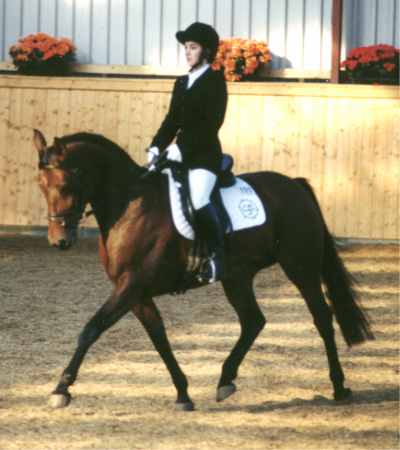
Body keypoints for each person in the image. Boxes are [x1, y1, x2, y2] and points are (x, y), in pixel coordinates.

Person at [147, 22, 228, 283]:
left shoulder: (215, 81)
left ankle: (217, 256)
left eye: (193, 47)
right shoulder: (181, 82)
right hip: (176, 155)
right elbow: (171, 120)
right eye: (186, 48)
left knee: (200, 198)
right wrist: (156, 146)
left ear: (206, 51)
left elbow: (211, 124)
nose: (187, 52)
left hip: (204, 156)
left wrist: (181, 148)